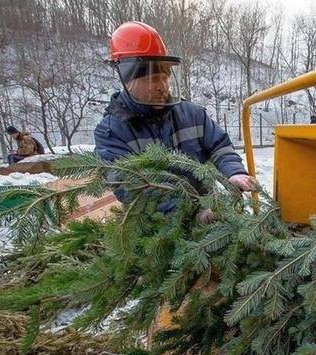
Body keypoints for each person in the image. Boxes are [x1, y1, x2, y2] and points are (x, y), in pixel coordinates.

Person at [94, 21, 256, 221]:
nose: (163, 87)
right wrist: (190, 213)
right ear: (129, 82)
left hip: (207, 209)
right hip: (156, 228)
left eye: (165, 78)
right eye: (154, 79)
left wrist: (233, 172)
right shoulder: (112, 132)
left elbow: (220, 147)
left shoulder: (193, 114)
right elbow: (131, 187)